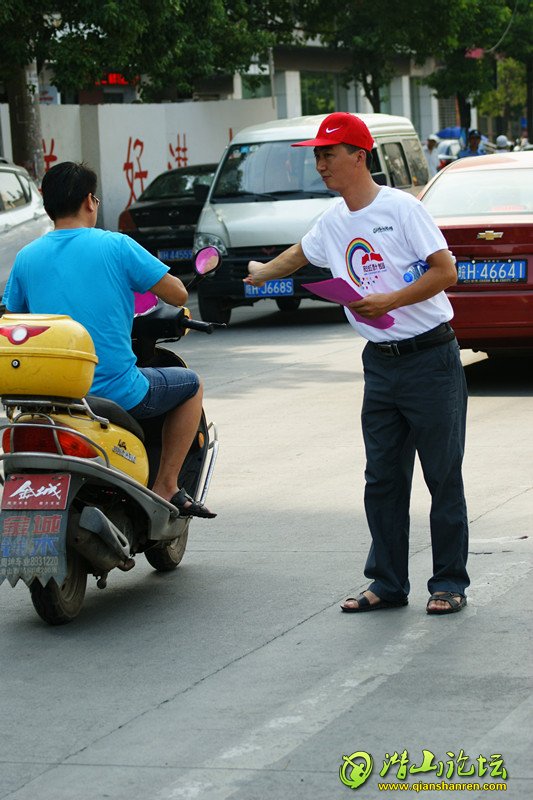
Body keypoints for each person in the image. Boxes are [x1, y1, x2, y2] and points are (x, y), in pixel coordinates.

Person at [244, 112, 469, 616]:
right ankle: (387, 583)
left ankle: (449, 582)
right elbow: (300, 254)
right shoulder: (333, 219)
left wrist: (390, 300)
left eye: (329, 154)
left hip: (430, 358)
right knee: (382, 478)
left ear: (359, 156)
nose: (320, 164)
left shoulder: (401, 209)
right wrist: (260, 273)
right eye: (317, 156)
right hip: (381, 365)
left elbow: (445, 272)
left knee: (442, 476)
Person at [2, 161, 215, 519]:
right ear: (89, 201)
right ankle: (166, 485)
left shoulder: (26, 258)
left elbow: (13, 322)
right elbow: (178, 294)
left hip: (49, 398)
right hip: (117, 392)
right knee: (191, 385)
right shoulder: (116, 245)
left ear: (48, 204)